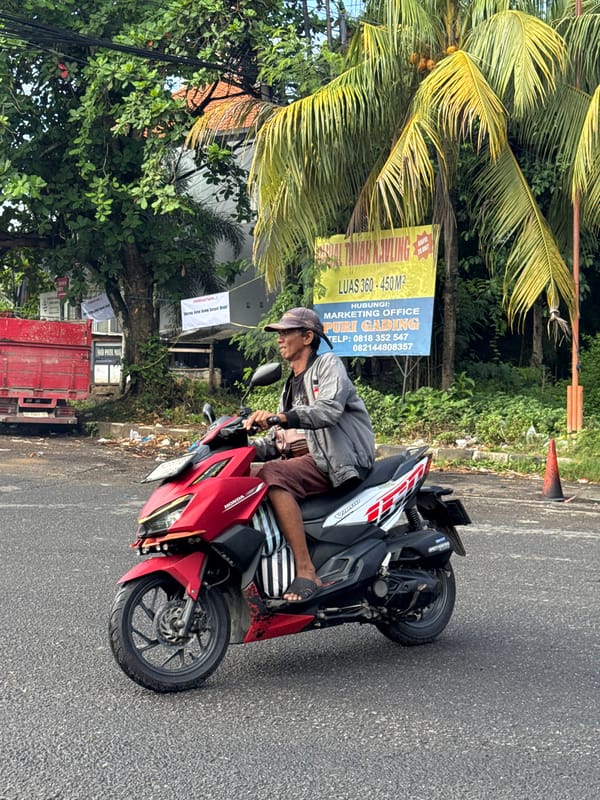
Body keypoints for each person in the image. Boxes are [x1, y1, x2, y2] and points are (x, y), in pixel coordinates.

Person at [244, 307, 375, 602]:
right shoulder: (289, 387)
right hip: (300, 460)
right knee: (239, 476)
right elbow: (277, 441)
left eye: (285, 332)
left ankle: (306, 570)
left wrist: (280, 418)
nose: (279, 339)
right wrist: (238, 445)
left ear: (307, 337)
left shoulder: (327, 365)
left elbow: (327, 411)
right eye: (278, 333)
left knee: (270, 474)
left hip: (334, 460)